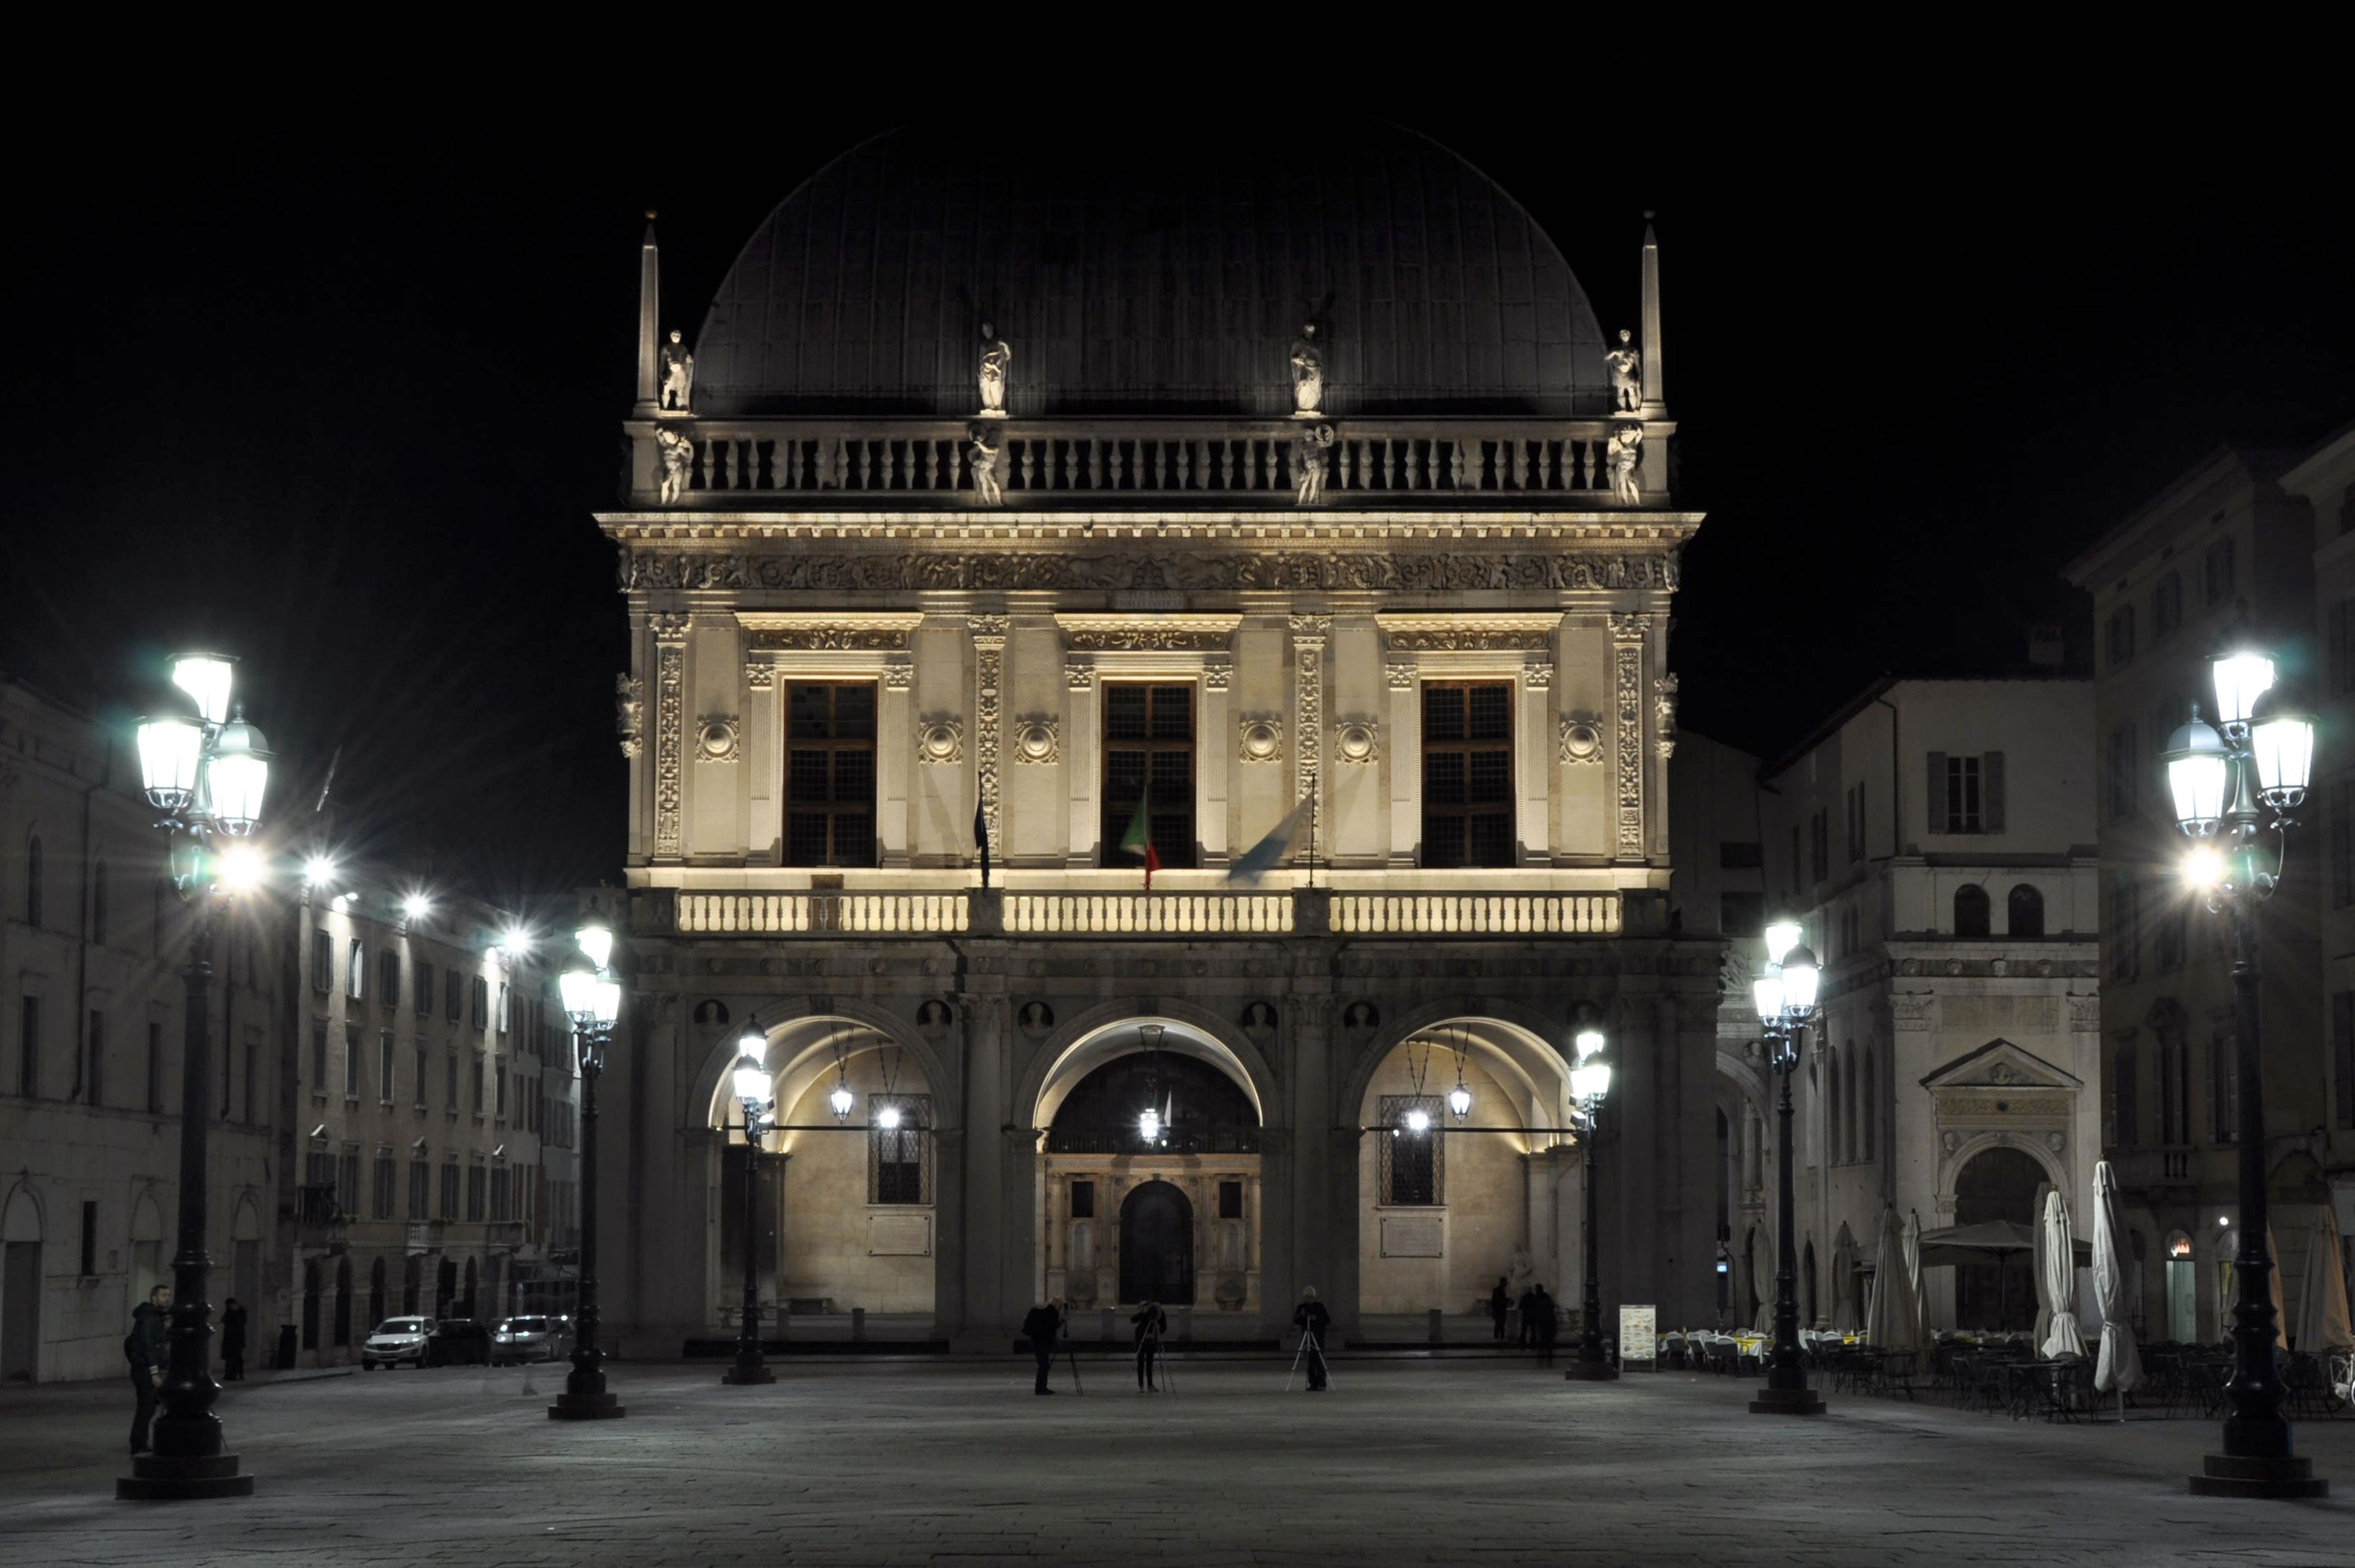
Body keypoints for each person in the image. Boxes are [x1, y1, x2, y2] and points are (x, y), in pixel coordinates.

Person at [126, 1284, 170, 1456]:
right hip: (144, 1369)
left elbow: (158, 1342)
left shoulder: (155, 1317)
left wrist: (165, 1329)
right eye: (163, 1295)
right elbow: (149, 1345)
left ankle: (140, 1443)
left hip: (145, 1367)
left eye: (168, 1295)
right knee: (146, 1408)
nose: (167, 1298)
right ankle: (138, 1445)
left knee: (149, 1407)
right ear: (154, 1298)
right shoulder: (149, 1317)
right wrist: (154, 1373)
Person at [1020, 1299, 1064, 1396]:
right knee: (1044, 1365)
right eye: (1060, 1308)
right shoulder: (1052, 1314)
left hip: (1036, 1341)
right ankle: (1041, 1388)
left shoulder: (1043, 1312)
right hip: (1042, 1343)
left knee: (1043, 1365)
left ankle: (1041, 1387)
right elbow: (1052, 1327)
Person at [1292, 1287, 1330, 1392]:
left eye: (1310, 1297)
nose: (1308, 1299)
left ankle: (1322, 1383)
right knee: (1309, 1362)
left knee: (1320, 1361)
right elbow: (1295, 1320)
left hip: (1318, 1337)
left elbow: (1327, 1320)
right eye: (1306, 1297)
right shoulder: (1301, 1308)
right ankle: (1313, 1383)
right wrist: (1302, 1315)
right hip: (1307, 1337)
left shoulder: (1320, 1307)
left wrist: (1316, 1318)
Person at [1131, 1298, 1167, 1392]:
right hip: (1141, 1339)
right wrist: (1143, 1313)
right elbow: (1133, 1320)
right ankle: (1142, 1385)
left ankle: (1149, 1385)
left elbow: (1163, 1326)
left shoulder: (1159, 1313)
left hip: (1151, 1340)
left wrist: (1158, 1331)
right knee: (1141, 1362)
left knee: (1149, 1363)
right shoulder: (1146, 1312)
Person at [220, 1296, 248, 1382]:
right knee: (231, 1357)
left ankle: (238, 1374)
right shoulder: (230, 1311)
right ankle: (231, 1375)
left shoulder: (241, 1311)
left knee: (237, 1357)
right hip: (231, 1337)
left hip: (236, 1337)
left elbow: (241, 1323)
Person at [1533, 1285, 1560, 1368]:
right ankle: (1547, 1360)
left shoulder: (1538, 1298)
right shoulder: (1545, 1297)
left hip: (1545, 1323)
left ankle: (1543, 1361)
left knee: (1544, 1342)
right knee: (1548, 1343)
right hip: (1548, 1323)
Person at [1516, 1284, 1539, 1348]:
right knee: (1533, 1330)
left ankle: (1522, 1342)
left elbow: (1520, 1307)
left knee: (1524, 1330)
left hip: (1526, 1315)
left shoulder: (1524, 1297)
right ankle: (1533, 1342)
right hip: (1533, 1315)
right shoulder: (1535, 1297)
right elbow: (1537, 1306)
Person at [1488, 1277, 1510, 1342]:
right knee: (1500, 1324)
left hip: (1500, 1310)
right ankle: (1499, 1338)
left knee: (1500, 1324)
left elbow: (1494, 1301)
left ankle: (1499, 1338)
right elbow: (1497, 1301)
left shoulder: (1498, 1290)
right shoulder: (1499, 1290)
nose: (1506, 1284)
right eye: (1505, 1282)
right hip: (1500, 1310)